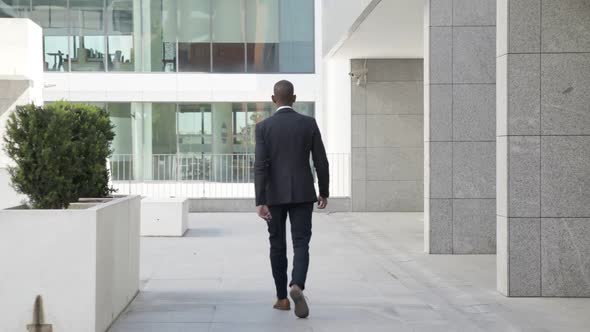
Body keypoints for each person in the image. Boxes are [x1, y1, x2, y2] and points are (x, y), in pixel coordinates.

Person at [254, 80, 330, 319]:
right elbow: (321, 161)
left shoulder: (264, 127)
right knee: (301, 243)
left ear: (273, 99)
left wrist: (260, 199)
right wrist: (324, 191)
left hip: (273, 196)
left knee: (277, 245)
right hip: (303, 193)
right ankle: (297, 284)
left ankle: (282, 299)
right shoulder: (308, 124)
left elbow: (260, 165)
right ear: (294, 98)